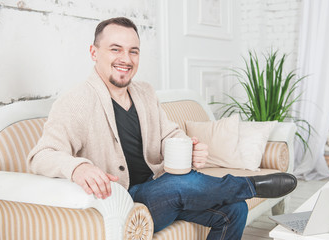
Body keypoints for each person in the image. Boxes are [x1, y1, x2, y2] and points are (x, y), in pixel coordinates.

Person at [28, 17, 297, 239]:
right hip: (125, 202)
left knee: (234, 209)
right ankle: (249, 185)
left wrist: (189, 149)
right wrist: (78, 167)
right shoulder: (76, 101)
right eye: (115, 49)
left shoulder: (144, 92)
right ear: (93, 52)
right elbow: (41, 155)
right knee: (178, 185)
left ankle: (240, 191)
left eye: (133, 51)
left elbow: (170, 134)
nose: (126, 58)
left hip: (160, 191)